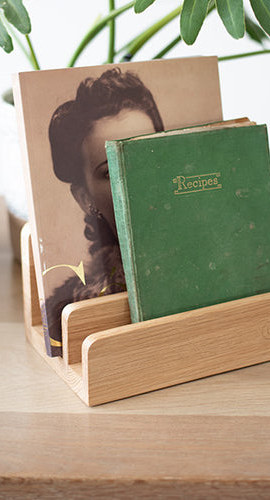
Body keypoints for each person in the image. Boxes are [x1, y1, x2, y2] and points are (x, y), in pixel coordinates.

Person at [46, 67, 164, 345]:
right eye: (111, 171)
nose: (140, 184)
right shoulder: (66, 313)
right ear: (85, 198)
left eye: (147, 157)